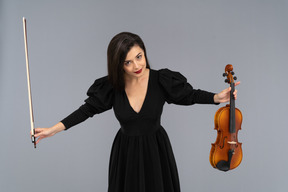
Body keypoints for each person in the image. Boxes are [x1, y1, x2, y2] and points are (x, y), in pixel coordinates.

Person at [32, 32, 239, 192]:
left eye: (139, 57)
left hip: (157, 152)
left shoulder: (161, 80)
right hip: (126, 153)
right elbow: (86, 110)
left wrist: (216, 98)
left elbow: (189, 95)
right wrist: (52, 130)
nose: (137, 65)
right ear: (118, 65)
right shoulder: (112, 87)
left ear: (144, 52)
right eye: (128, 62)